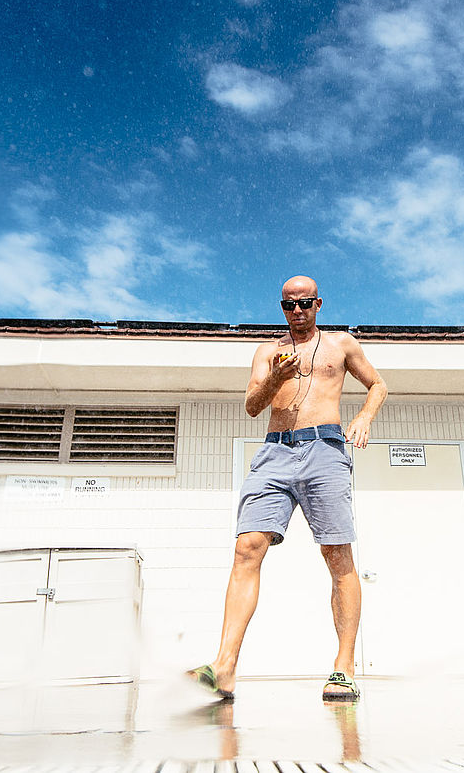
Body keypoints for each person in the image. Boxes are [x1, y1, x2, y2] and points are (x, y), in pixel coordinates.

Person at [188, 275, 387, 702]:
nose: (297, 312)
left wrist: (364, 417)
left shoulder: (342, 345)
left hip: (325, 448)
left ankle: (344, 668)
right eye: (289, 305)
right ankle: (224, 667)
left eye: (305, 304)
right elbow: (252, 407)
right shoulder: (267, 351)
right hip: (275, 452)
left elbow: (378, 384)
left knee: (337, 553)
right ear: (281, 308)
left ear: (319, 304)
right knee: (247, 547)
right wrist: (276, 379)